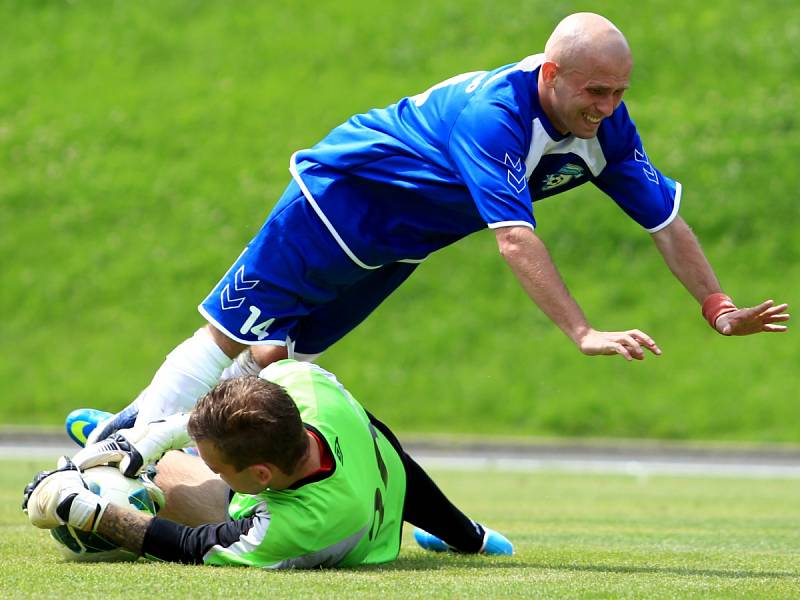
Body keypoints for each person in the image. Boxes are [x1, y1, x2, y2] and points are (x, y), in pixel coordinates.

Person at [88, 12, 788, 440]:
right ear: (552, 74)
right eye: (594, 91)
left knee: (278, 355)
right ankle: (123, 445)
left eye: (619, 93)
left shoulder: (604, 128)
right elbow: (514, 237)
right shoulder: (497, 113)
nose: (607, 107)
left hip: (395, 247)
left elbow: (666, 224)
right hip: (338, 201)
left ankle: (136, 434)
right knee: (233, 335)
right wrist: (582, 331)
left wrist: (717, 307)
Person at [24, 360, 513, 568]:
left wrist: (81, 508)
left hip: (343, 525)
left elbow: (194, 548)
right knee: (168, 455)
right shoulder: (304, 386)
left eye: (218, 464)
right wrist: (467, 535)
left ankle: (136, 454)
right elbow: (389, 448)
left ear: (260, 479)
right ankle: (131, 440)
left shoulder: (302, 524)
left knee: (171, 490)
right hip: (365, 491)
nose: (216, 468)